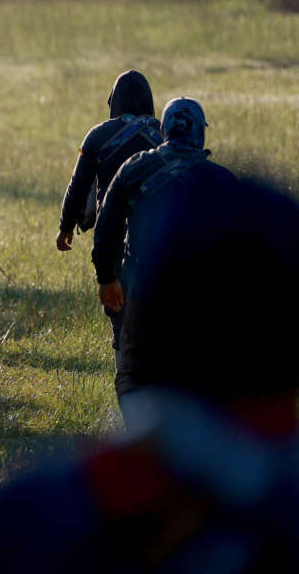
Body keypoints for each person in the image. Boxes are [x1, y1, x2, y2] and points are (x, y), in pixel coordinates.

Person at [0, 175, 299, 574]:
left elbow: (103, 222)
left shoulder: (20, 524)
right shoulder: (276, 506)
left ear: (149, 323)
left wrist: (103, 269)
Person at [92, 97, 235, 407]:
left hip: (143, 293)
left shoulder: (134, 169)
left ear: (165, 129)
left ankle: (143, 440)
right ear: (200, 132)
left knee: (134, 375)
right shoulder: (224, 181)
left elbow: (107, 226)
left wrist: (107, 277)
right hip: (204, 302)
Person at [55, 70, 162, 362]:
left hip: (113, 235)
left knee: (119, 310)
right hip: (161, 236)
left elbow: (78, 186)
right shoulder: (166, 134)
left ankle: (126, 377)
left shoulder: (98, 135)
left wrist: (65, 227)